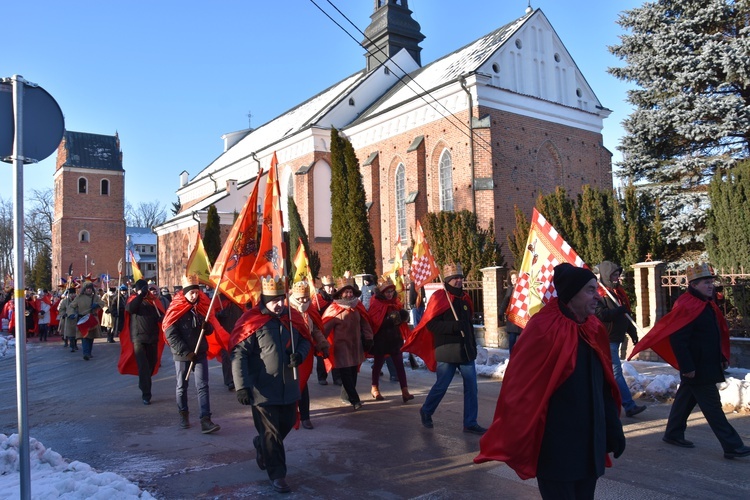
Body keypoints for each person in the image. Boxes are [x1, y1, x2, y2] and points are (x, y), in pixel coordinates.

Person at [475, 263, 625, 500]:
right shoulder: (543, 328)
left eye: (596, 289)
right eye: (589, 290)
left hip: (589, 445)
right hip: (557, 447)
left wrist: (612, 428)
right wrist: (519, 433)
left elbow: (604, 385)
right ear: (571, 294)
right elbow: (521, 387)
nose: (597, 296)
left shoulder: (593, 328)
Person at [630, 263, 750, 459]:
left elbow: (713, 335)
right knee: (713, 408)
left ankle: (673, 433)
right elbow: (678, 340)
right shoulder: (686, 305)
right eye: (705, 282)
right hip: (697, 367)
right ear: (693, 284)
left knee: (685, 400)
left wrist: (721, 357)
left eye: (711, 282)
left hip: (706, 364)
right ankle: (732, 445)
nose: (710, 285)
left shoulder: (706, 304)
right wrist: (687, 367)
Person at [231, 276, 312, 494]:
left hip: (289, 387)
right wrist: (241, 387)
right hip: (262, 390)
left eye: (281, 299)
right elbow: (239, 355)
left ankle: (261, 446)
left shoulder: (292, 318)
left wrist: (300, 355)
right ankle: (278, 475)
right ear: (264, 300)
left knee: (285, 424)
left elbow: (306, 339)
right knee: (272, 433)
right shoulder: (252, 321)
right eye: (273, 300)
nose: (278, 304)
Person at [403, 263, 486, 434]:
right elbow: (431, 325)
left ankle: (470, 422)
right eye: (456, 278)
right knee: (442, 385)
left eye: (461, 278)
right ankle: (426, 410)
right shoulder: (439, 298)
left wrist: (473, 346)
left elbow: (468, 326)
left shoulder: (465, 298)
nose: (459, 281)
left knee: (472, 388)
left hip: (466, 351)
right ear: (448, 280)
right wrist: (454, 327)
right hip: (447, 350)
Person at [163, 275, 221, 434]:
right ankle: (183, 413)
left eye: (197, 292)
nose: (195, 296)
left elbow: (208, 330)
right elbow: (170, 334)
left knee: (202, 386)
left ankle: (205, 420)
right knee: (182, 385)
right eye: (192, 293)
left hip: (199, 351)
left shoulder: (201, 307)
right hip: (183, 355)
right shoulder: (176, 308)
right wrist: (186, 352)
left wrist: (207, 326)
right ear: (185, 293)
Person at [595, 261, 646, 418]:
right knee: (616, 372)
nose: (617, 278)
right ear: (606, 275)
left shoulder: (618, 293)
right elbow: (600, 315)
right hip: (606, 338)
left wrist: (633, 334)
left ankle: (604, 402)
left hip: (617, 338)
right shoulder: (599, 294)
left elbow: (626, 316)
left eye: (618, 275)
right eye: (614, 275)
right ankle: (628, 405)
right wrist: (618, 311)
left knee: (607, 373)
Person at [322, 275, 374, 410]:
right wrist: (322, 344)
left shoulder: (357, 306)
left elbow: (365, 324)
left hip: (355, 346)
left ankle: (346, 396)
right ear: (340, 293)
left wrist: (369, 338)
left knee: (353, 373)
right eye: (346, 291)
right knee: (346, 374)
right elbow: (325, 327)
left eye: (351, 291)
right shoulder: (334, 309)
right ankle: (355, 400)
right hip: (341, 347)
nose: (349, 294)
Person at [287, 281, 329, 429]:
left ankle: (305, 416)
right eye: (300, 298)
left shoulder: (310, 310)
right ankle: (291, 414)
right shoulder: (287, 310)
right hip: (289, 351)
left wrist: (323, 345)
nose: (304, 301)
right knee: (291, 383)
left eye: (306, 298)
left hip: (306, 352)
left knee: (303, 383)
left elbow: (316, 330)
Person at [120, 278, 166, 405]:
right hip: (138, 339)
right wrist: (140, 295)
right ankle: (146, 394)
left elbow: (159, 314)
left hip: (152, 338)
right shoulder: (133, 299)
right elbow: (130, 309)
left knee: (152, 363)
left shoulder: (153, 302)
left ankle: (144, 382)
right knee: (143, 367)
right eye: (143, 289)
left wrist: (162, 318)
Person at [369, 278, 413, 403]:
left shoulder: (396, 303)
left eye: (392, 291)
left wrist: (403, 316)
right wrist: (389, 320)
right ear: (382, 292)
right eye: (387, 292)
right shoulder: (376, 303)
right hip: (381, 340)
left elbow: (400, 322)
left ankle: (405, 391)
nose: (389, 294)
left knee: (399, 365)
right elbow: (375, 322)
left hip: (395, 339)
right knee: (378, 364)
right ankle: (374, 388)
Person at [314, 275, 340, 386]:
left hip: (335, 330)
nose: (330, 288)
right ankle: (322, 376)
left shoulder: (337, 297)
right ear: (324, 287)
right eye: (328, 286)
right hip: (323, 330)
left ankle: (337, 377)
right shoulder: (317, 299)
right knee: (322, 354)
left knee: (336, 354)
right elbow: (313, 314)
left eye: (331, 286)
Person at [216, 293, 245, 391]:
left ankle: (239, 379)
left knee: (239, 357)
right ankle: (229, 381)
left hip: (238, 333)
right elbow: (212, 316)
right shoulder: (219, 299)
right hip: (224, 333)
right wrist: (219, 315)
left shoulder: (240, 299)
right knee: (227, 358)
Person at [70, 282, 105, 360]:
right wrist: (71, 314)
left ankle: (89, 352)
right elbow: (72, 306)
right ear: (84, 289)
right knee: (84, 336)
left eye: (90, 288)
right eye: (87, 288)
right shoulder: (79, 297)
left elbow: (102, 303)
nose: (89, 290)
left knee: (91, 337)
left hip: (92, 318)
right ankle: (85, 353)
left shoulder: (95, 297)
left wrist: (97, 305)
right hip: (83, 319)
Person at [498, 270, 523, 355]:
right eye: (512, 279)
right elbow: (505, 301)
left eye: (515, 278)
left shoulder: (523, 289)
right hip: (512, 317)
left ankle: (521, 356)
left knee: (522, 339)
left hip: (521, 316)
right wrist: (501, 312)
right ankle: (512, 356)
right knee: (512, 338)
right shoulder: (510, 289)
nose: (513, 280)